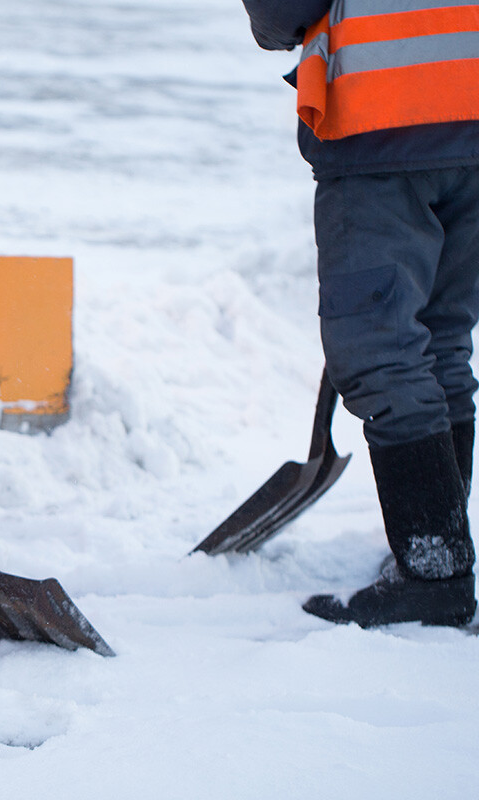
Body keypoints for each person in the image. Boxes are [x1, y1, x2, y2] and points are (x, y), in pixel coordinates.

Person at [239, 0, 479, 627]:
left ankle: (435, 573)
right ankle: (437, 551)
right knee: (440, 336)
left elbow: (282, 8)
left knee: (381, 349)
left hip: (387, 116)